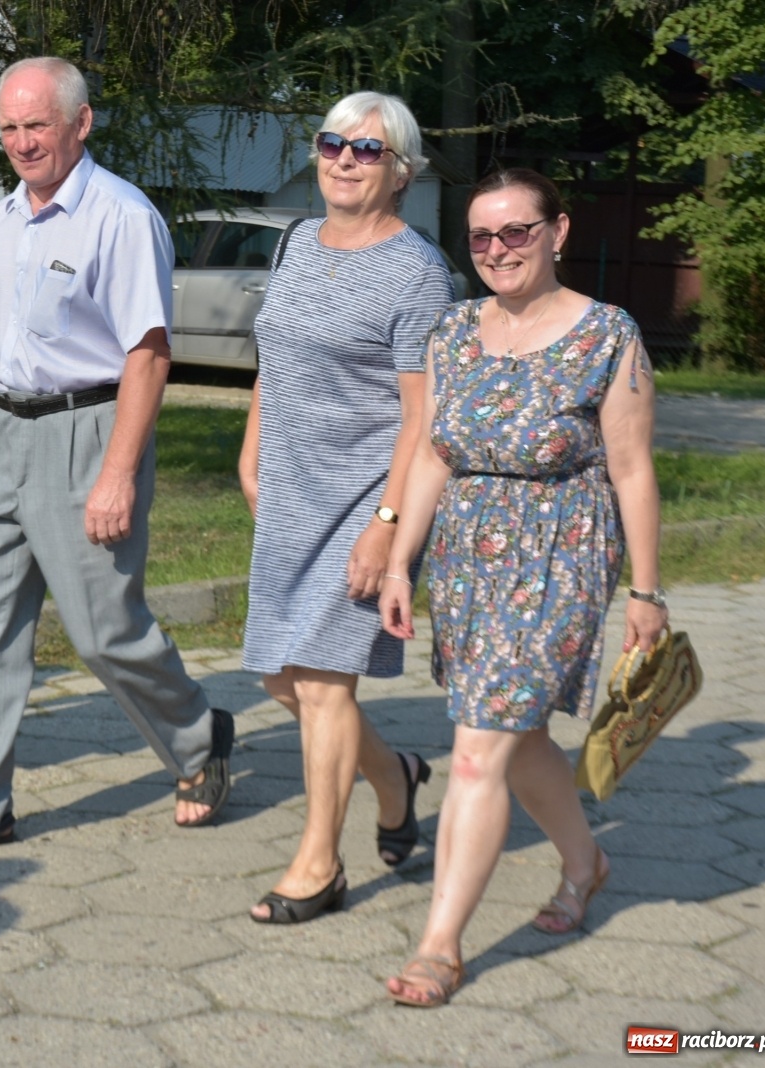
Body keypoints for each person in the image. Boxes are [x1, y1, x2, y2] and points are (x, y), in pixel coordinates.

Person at [0, 56, 234, 859]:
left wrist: (117, 473)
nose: (20, 142)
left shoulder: (120, 217)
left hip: (87, 433)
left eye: (36, 125)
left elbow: (148, 356)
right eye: (9, 127)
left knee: (102, 630)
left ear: (81, 125)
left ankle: (198, 739)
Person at [378, 168, 666, 1006]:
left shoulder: (608, 334)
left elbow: (633, 469)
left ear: (558, 232)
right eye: (481, 237)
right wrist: (400, 561)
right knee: (515, 734)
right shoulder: (453, 331)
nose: (498, 250)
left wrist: (647, 592)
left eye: (517, 232)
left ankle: (440, 946)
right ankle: (586, 863)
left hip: (560, 557)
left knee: (477, 751)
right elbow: (433, 451)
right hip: (466, 560)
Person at [236, 91, 453, 923]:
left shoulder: (417, 272)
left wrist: (389, 528)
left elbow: (421, 417)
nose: (343, 161)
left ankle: (318, 864)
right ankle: (394, 777)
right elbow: (275, 354)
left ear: (400, 173)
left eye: (366, 151)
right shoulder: (295, 240)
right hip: (290, 489)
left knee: (324, 683)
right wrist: (253, 444)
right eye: (333, 144)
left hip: (368, 495)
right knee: (275, 672)